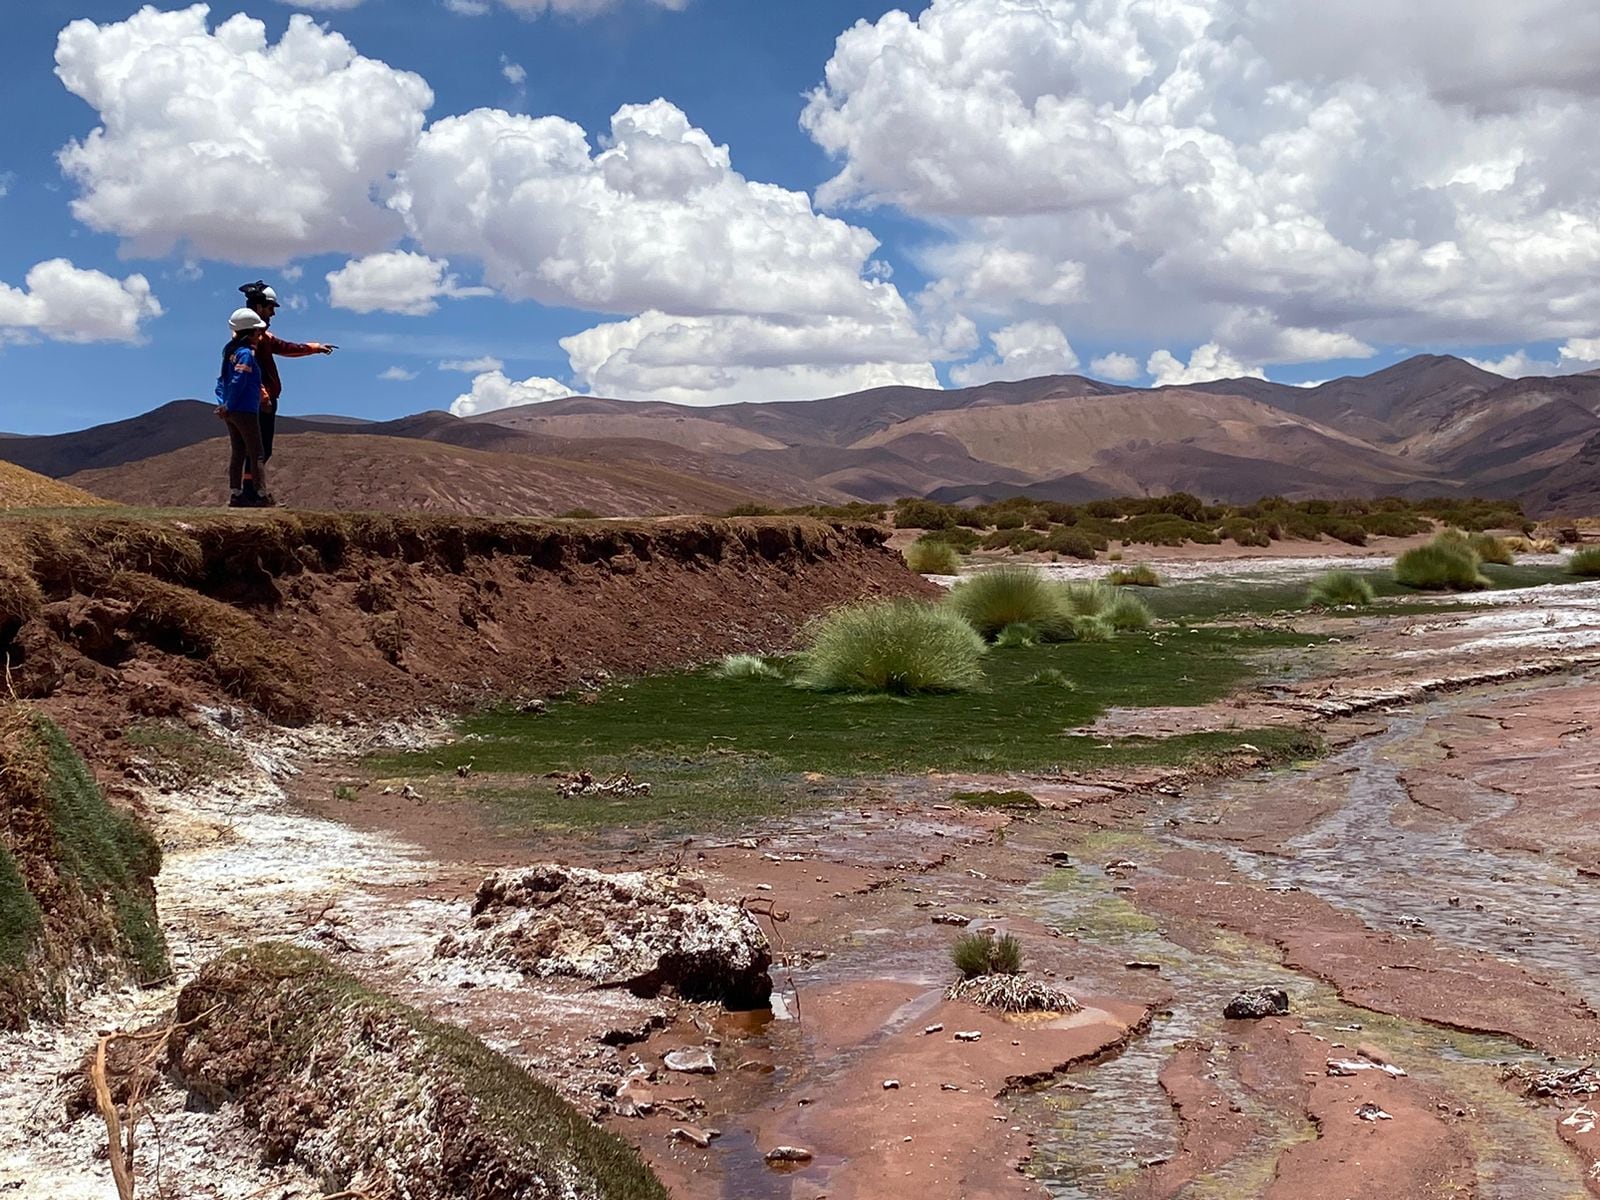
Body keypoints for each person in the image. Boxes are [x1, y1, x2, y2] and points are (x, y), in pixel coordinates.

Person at [236, 280, 336, 462]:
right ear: (259, 307)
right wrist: (263, 395)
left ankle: (250, 488)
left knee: (260, 450)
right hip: (258, 402)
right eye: (270, 308)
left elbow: (285, 347)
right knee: (257, 451)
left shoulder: (261, 337)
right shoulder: (249, 340)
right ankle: (250, 489)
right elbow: (248, 370)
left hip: (260, 400)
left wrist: (315, 348)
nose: (273, 313)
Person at [216, 308, 275, 507]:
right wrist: (230, 404)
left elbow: (222, 381)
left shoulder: (229, 353)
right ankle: (260, 495)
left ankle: (236, 493)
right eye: (258, 333)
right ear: (250, 332)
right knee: (256, 452)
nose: (260, 336)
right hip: (244, 411)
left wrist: (223, 405)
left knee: (238, 451)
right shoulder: (246, 355)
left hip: (231, 411)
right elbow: (238, 381)